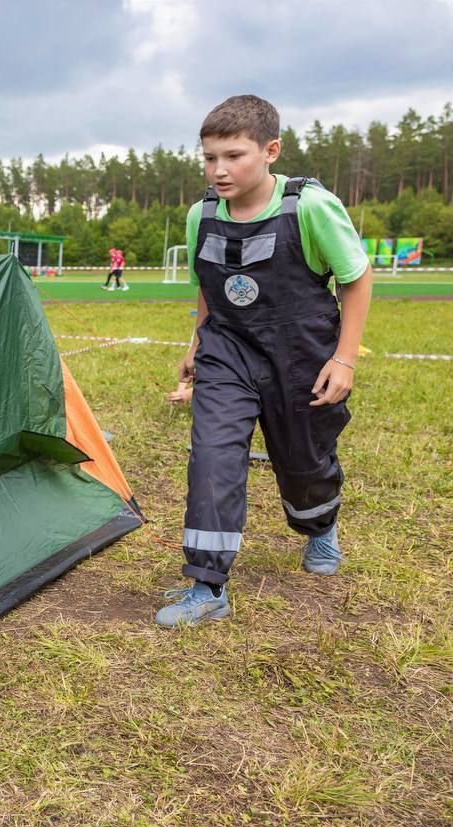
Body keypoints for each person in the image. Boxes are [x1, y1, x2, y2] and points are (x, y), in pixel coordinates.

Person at [155, 94, 373, 628]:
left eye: (233, 155)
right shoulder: (200, 215)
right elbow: (206, 285)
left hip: (300, 355)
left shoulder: (311, 207)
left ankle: (319, 526)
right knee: (211, 458)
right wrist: (197, 341)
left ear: (271, 150)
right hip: (227, 352)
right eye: (209, 158)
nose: (219, 170)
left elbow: (356, 277)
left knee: (302, 462)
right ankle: (208, 585)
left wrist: (344, 359)